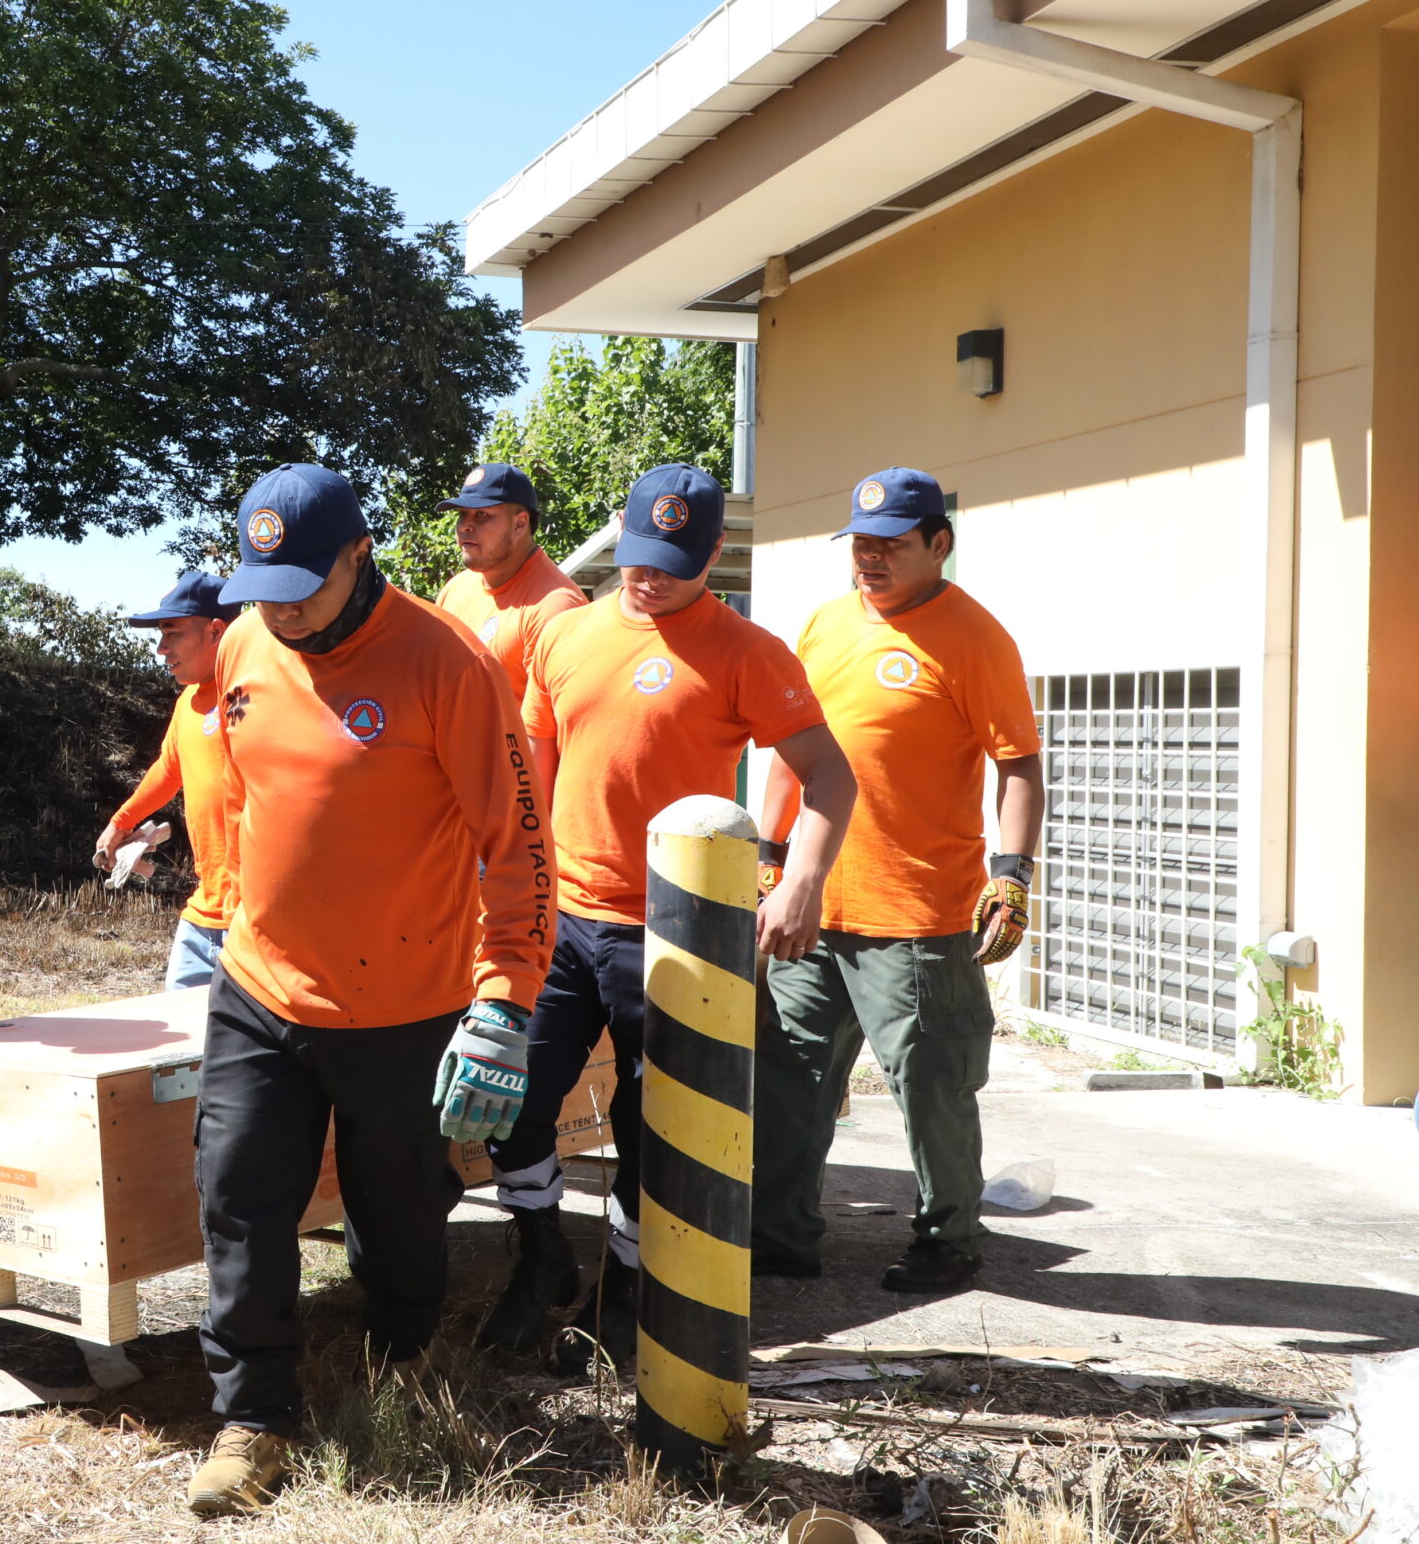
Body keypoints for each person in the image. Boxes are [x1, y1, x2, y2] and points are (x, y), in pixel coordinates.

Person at [184, 464, 551, 1518]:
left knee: (397, 1211)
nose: (283, 608)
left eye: (304, 584)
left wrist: (504, 1000)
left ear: (360, 553)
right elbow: (246, 796)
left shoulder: (447, 661)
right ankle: (253, 1416)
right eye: (263, 587)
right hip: (257, 985)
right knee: (238, 1196)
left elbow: (520, 844)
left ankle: (402, 1355)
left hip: (403, 1003)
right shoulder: (246, 642)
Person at [483, 464, 857, 1374]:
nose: (650, 579)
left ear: (714, 552)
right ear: (620, 534)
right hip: (561, 921)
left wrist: (802, 881)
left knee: (653, 1126)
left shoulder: (747, 651)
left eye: (675, 565)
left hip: (677, 930)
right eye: (640, 557)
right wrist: (506, 888)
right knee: (512, 1095)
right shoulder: (565, 633)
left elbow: (830, 776)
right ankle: (540, 1255)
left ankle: (623, 1287)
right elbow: (531, 774)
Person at [752, 467, 1043, 1294]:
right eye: (859, 543)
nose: (869, 558)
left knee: (930, 1086)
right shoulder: (823, 625)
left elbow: (1019, 765)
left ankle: (949, 1241)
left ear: (939, 543)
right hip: (814, 904)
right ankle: (779, 1237)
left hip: (917, 912)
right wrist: (771, 856)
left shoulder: (975, 637)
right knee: (790, 1077)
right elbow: (791, 751)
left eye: (891, 544)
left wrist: (1012, 875)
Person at [91, 570, 241, 989]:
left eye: (172, 634)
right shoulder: (189, 700)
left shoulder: (255, 696)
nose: (161, 649)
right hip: (203, 914)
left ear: (216, 632)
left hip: (254, 921)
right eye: (161, 635)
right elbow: (169, 768)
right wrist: (120, 823)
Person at [433, 460, 587, 701]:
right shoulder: (455, 590)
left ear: (520, 524)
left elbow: (556, 719)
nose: (465, 527)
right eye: (462, 514)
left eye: (482, 515)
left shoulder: (555, 608)